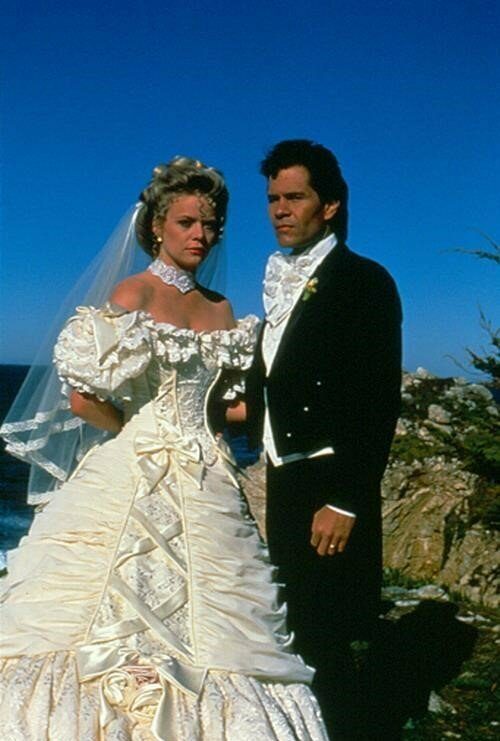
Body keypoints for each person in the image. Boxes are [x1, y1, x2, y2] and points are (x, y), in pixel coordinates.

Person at [0, 157, 329, 740]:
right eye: (186, 223)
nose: (200, 235)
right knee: (90, 610)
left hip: (208, 475)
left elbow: (224, 407)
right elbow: (82, 399)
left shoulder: (222, 309)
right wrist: (135, 428)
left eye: (210, 225)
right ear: (156, 227)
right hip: (133, 467)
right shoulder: (134, 292)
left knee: (219, 624)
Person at [246, 140, 402, 738]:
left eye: (295, 197)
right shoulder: (281, 283)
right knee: (295, 628)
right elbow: (275, 383)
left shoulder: (364, 281)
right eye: (273, 199)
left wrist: (346, 500)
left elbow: (376, 402)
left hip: (329, 483)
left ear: (330, 205)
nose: (281, 210)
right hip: (285, 477)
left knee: (329, 637)